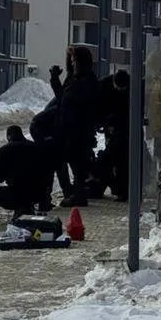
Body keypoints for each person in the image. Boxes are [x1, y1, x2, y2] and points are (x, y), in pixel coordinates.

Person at [54, 45, 101, 209]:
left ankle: (77, 194)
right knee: (67, 162)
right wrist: (55, 79)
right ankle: (72, 192)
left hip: (78, 130)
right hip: (68, 128)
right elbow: (61, 97)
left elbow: (79, 103)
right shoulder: (73, 78)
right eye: (71, 61)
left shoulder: (87, 80)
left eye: (74, 61)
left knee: (76, 164)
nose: (72, 64)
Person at [0, 125, 45, 216]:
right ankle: (29, 205)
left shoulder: (4, 150)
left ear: (8, 136)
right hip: (39, 193)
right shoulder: (35, 146)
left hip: (16, 192)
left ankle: (20, 206)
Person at [94, 69, 131, 201]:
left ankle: (122, 189)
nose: (120, 90)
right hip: (111, 125)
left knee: (122, 159)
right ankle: (118, 188)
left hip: (126, 126)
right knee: (113, 155)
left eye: (123, 88)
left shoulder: (133, 87)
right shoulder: (104, 86)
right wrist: (102, 123)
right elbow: (97, 106)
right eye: (118, 88)